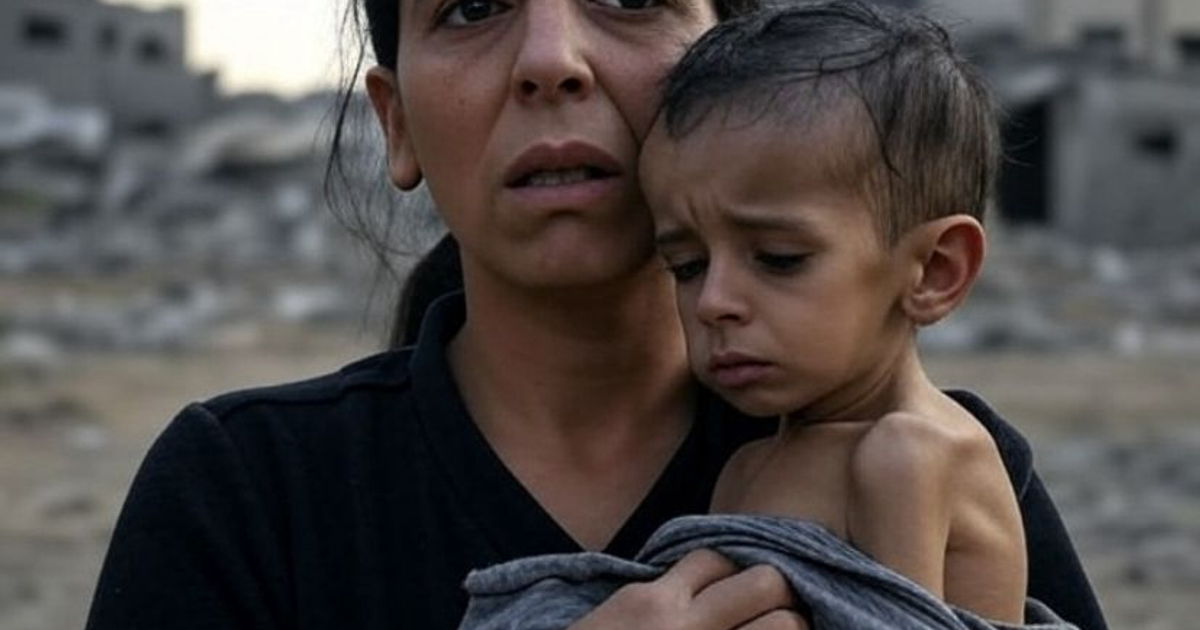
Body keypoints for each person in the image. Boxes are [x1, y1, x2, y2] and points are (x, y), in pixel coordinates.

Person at [83, 0, 1108, 627]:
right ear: (396, 126)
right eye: (473, 6)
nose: (552, 59)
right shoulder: (247, 491)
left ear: (730, 63)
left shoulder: (945, 460)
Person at [457, 3, 1041, 628]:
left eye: (778, 259)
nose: (714, 303)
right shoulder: (746, 467)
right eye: (687, 267)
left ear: (934, 270)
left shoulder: (907, 456)